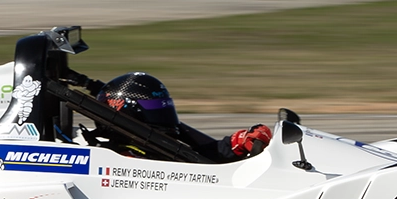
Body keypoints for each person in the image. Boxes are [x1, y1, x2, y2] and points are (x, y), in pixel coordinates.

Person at [91, 72, 272, 163]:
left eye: (164, 106)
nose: (163, 115)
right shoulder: (124, 159)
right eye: (154, 108)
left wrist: (238, 143)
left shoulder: (158, 144)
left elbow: (203, 153)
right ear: (127, 113)